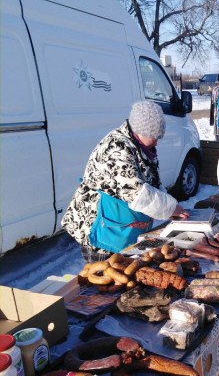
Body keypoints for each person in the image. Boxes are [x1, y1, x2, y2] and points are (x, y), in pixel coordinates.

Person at [62, 101, 189, 262]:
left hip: (123, 228)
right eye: (155, 137)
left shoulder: (141, 146)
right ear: (140, 131)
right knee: (109, 278)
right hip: (104, 231)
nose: (157, 142)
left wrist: (169, 206)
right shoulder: (116, 148)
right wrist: (170, 207)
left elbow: (153, 183)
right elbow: (137, 194)